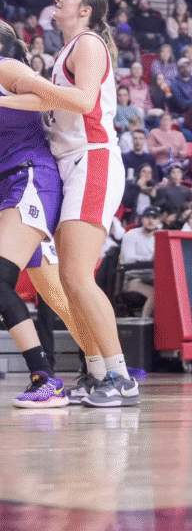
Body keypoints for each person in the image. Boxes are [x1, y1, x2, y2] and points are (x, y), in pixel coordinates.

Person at [0, 0, 138, 406]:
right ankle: (97, 372)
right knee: (68, 280)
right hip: (69, 163)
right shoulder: (65, 52)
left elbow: (81, 101)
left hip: (92, 157)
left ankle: (120, 376)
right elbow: (43, 103)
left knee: (76, 276)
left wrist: (34, 87)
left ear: (87, 11)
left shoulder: (90, 42)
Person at [0, 22, 92, 408]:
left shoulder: (8, 67)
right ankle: (103, 365)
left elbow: (58, 99)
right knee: (53, 291)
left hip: (30, 177)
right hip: (9, 187)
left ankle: (44, 377)